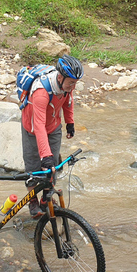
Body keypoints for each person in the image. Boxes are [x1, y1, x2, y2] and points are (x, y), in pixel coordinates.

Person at [21, 54, 83, 218]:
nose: (73, 86)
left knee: (52, 166)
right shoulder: (41, 92)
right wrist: (45, 155)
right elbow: (39, 125)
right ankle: (32, 200)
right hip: (33, 129)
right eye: (71, 82)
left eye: (75, 83)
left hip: (53, 126)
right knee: (34, 167)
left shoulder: (67, 86)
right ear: (60, 77)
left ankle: (45, 199)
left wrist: (70, 123)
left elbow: (68, 101)